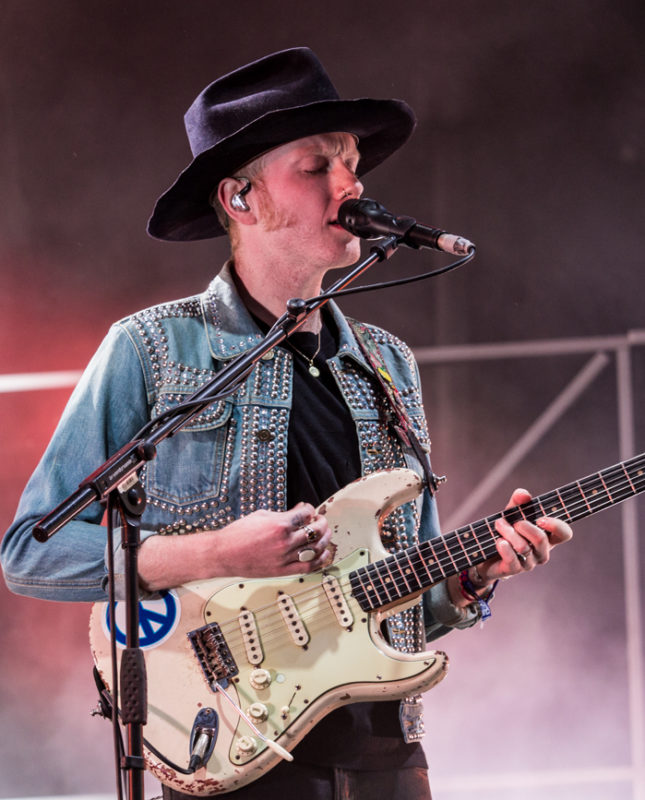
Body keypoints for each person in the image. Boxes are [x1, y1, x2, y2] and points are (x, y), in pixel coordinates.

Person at [1, 48, 572, 799]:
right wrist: (212, 552)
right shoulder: (150, 348)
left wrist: (466, 580)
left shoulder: (388, 363)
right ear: (241, 198)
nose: (352, 183)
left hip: (385, 756)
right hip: (231, 746)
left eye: (351, 162)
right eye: (317, 166)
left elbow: (404, 606)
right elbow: (31, 554)